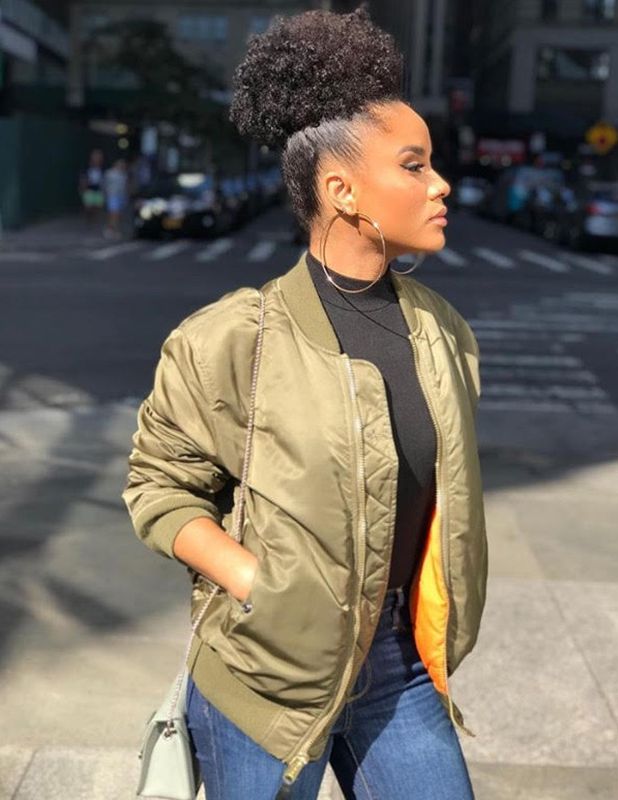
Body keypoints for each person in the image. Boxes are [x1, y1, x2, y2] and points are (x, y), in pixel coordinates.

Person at [122, 5, 487, 799]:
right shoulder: (228, 338)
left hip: (400, 664)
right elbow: (158, 487)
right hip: (265, 675)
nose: (440, 184)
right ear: (342, 190)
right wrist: (258, 584)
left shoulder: (446, 335)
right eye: (415, 165)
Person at [103, 158, 129, 239]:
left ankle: (115, 230)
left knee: (118, 215)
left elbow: (125, 187)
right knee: (114, 214)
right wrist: (106, 195)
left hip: (121, 196)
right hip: (112, 196)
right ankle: (110, 230)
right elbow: (104, 185)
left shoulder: (124, 174)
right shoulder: (109, 173)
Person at [79, 149, 105, 223]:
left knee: (97, 206)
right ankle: (89, 217)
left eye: (98, 156)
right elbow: (82, 178)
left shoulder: (103, 167)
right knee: (88, 206)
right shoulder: (86, 166)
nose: (97, 158)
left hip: (98, 188)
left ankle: (94, 218)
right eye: (95, 156)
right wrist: (82, 188)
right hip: (89, 188)